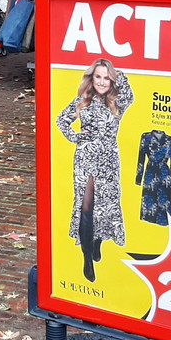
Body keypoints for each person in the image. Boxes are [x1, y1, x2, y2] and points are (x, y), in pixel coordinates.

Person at [56, 58, 134, 282]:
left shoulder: (118, 102)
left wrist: (117, 73)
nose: (101, 81)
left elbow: (130, 93)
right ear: (91, 78)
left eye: (106, 77)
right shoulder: (82, 100)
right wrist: (76, 138)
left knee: (105, 206)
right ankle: (87, 258)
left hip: (108, 160)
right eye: (97, 76)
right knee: (86, 206)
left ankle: (98, 242)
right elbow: (62, 120)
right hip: (85, 158)